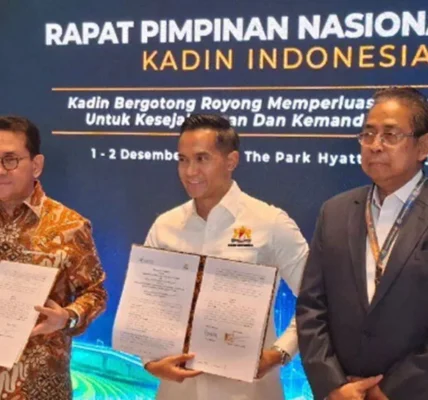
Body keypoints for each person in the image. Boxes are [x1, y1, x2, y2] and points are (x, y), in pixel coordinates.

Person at [143, 114, 308, 400]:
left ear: (231, 161)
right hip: (177, 392)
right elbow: (146, 305)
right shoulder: (165, 226)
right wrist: (150, 361)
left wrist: (278, 354)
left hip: (248, 391)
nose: (190, 171)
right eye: (182, 159)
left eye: (202, 159)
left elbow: (317, 299)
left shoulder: (270, 222)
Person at [296, 87, 428, 400]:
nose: (375, 145)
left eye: (390, 135)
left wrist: (392, 389)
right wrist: (333, 384)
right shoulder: (335, 211)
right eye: (368, 134)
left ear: (423, 146)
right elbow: (312, 307)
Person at [0, 116, 107, 399]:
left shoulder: (69, 226)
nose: (0, 170)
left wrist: (66, 317)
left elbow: (95, 293)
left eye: (10, 160)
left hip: (40, 385)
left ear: (36, 165)